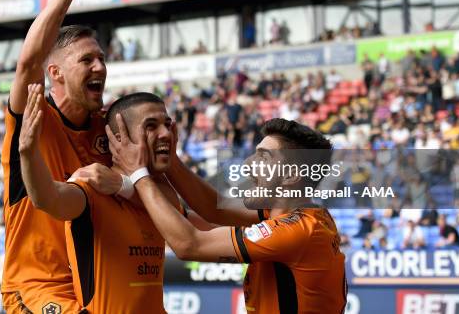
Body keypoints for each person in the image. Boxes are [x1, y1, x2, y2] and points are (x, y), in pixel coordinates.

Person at [108, 118, 347, 313]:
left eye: (263, 158)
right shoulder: (291, 213)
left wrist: (138, 173)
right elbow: (214, 208)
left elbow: (189, 244)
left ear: (290, 177)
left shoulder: (296, 231)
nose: (248, 165)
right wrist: (167, 162)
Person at [18, 87, 208, 312]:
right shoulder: (92, 189)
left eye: (167, 124)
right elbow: (48, 199)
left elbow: (206, 218)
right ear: (120, 140)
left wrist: (125, 184)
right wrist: (28, 153)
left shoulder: (158, 197)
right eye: (151, 126)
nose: (166, 133)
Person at [1, 0, 115, 314]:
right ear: (55, 73)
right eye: (86, 60)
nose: (99, 66)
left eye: (101, 59)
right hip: (37, 288)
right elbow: (28, 62)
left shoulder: (109, 128)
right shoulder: (36, 113)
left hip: (95, 286)